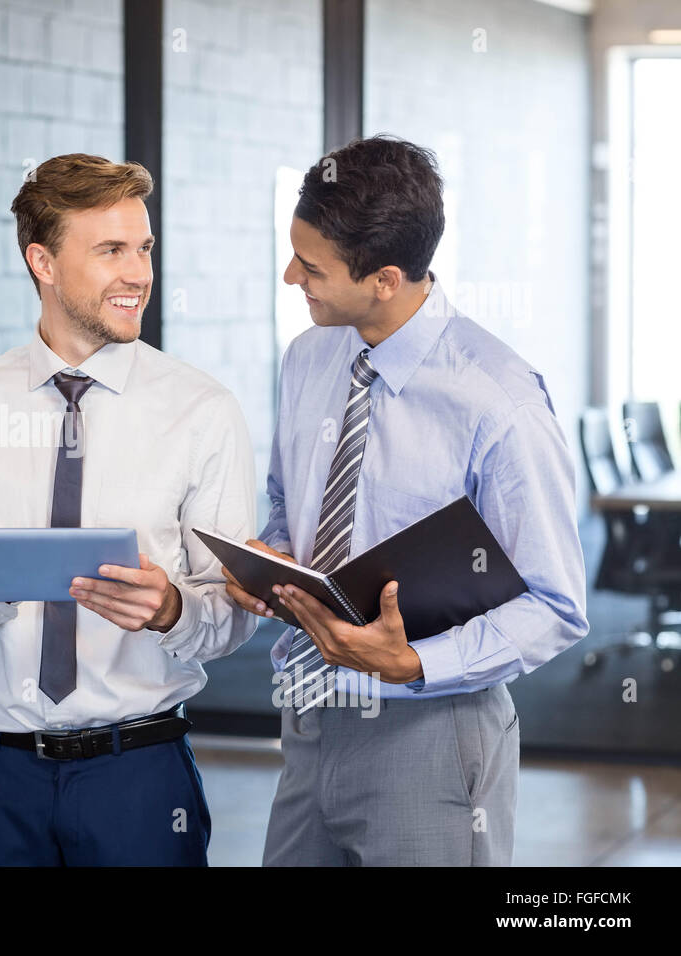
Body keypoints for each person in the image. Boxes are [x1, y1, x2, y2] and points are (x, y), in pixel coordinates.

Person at [223, 135, 588, 866]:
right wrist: (266, 563)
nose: (292, 275)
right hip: (309, 721)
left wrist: (417, 664)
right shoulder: (308, 357)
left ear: (385, 278)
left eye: (313, 267)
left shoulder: (498, 400)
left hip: (430, 735)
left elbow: (556, 605)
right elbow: (285, 505)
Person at [0, 153, 256, 866]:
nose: (138, 273)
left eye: (145, 248)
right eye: (111, 250)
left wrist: (173, 610)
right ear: (44, 262)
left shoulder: (203, 410)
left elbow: (234, 609)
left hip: (141, 776)